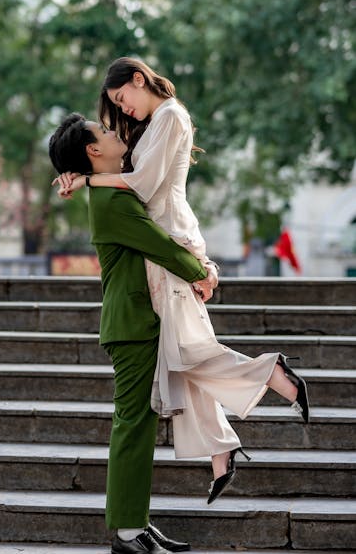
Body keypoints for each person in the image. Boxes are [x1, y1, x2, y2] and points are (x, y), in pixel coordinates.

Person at [54, 57, 310, 506]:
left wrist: (90, 177)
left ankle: (269, 374)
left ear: (138, 79)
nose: (123, 111)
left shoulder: (171, 115)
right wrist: (82, 172)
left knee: (188, 352)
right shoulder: (154, 122)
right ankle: (222, 451)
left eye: (121, 98)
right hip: (163, 245)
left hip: (170, 240)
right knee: (181, 355)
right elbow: (124, 171)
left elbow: (144, 183)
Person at [49, 113, 213, 554]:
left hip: (137, 321)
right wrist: (205, 272)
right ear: (93, 152)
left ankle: (135, 523)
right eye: (103, 132)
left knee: (139, 425)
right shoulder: (112, 203)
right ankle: (126, 532)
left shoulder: (111, 191)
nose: (113, 132)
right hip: (131, 324)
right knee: (132, 424)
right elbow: (159, 245)